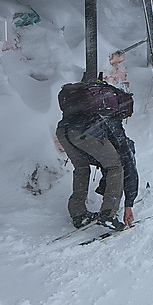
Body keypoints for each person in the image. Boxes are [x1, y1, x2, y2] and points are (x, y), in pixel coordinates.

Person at [56, 76, 138, 231]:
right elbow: (127, 162)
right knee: (115, 166)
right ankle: (108, 214)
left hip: (63, 131)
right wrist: (129, 204)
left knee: (81, 168)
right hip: (85, 132)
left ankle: (78, 212)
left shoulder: (93, 107)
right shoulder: (111, 119)